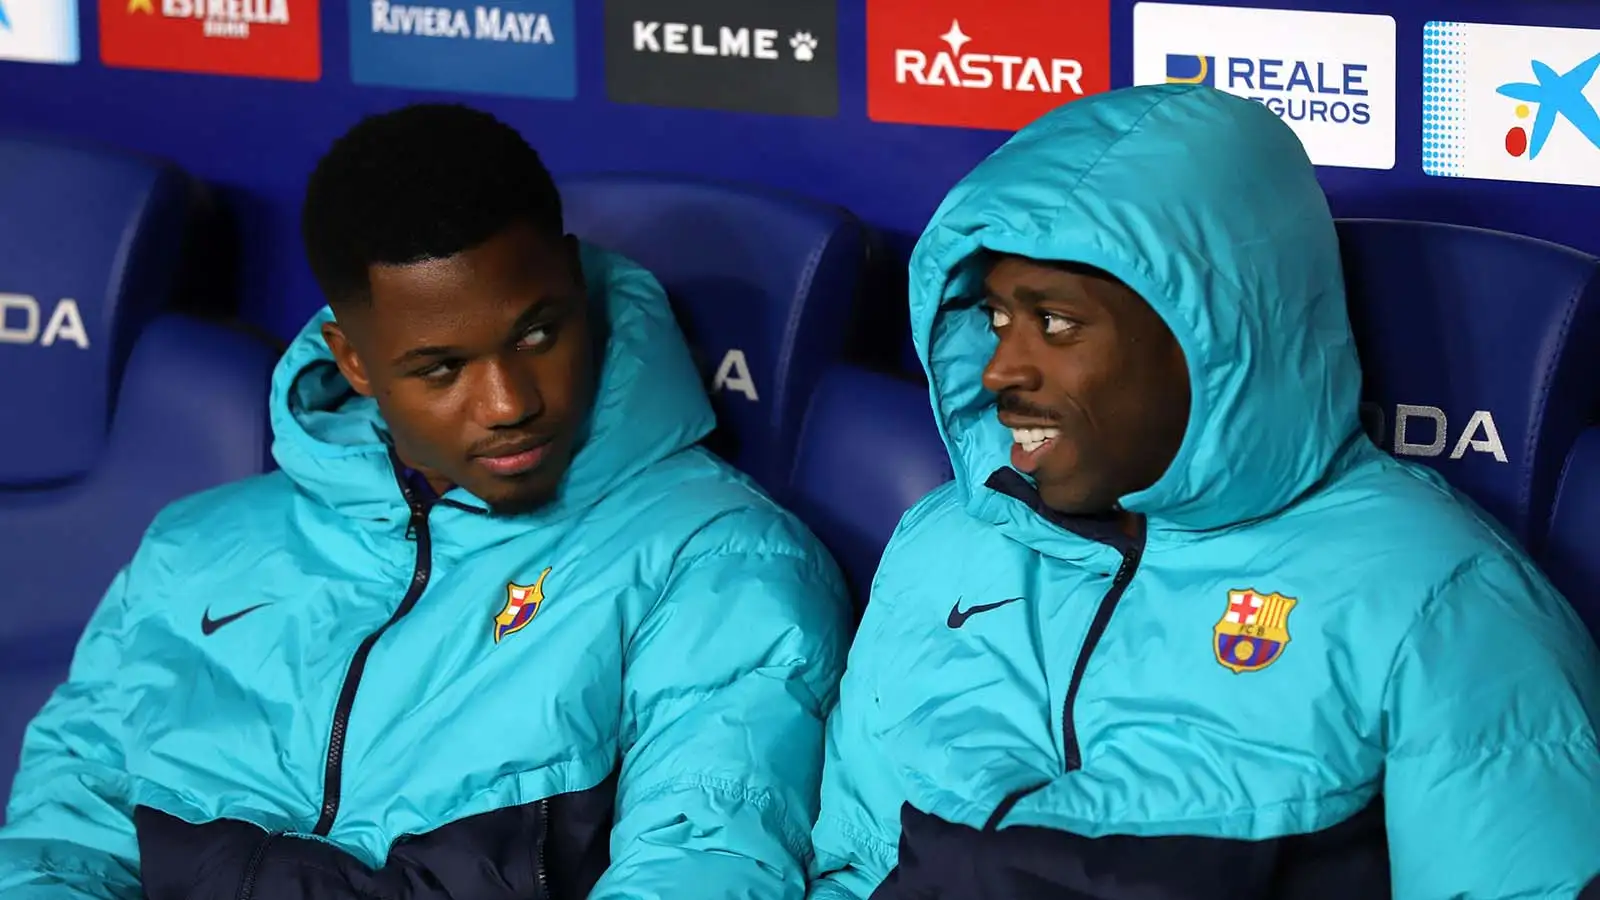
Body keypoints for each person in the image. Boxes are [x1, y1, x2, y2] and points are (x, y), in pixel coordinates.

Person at [0, 103, 851, 899]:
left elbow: (700, 866)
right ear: (356, 360)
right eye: (442, 369)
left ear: (573, 278)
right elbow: (63, 839)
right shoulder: (195, 552)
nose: (510, 401)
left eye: (538, 333)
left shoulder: (720, 558)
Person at [807, 83, 1600, 899]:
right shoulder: (943, 542)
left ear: (1217, 339)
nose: (1002, 368)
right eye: (999, 318)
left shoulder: (1436, 599)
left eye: (1057, 323)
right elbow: (851, 862)